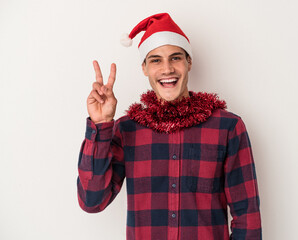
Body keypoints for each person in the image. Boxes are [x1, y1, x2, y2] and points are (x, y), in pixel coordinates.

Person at [77, 13, 262, 240]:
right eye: (156, 60)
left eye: (175, 58)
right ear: (144, 68)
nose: (167, 69)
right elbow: (92, 201)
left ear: (189, 63)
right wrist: (102, 125)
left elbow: (247, 217)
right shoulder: (126, 131)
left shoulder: (227, 127)